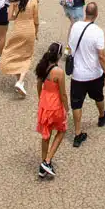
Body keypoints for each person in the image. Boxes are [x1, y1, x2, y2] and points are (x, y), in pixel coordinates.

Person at [69, 1, 105, 147]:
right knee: (98, 96)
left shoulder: (75, 26)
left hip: (77, 74)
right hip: (93, 73)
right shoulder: (98, 31)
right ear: (96, 14)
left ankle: (78, 132)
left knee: (76, 103)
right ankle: (101, 115)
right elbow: (101, 56)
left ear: (85, 12)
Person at [0, 0, 40, 97]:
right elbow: (36, 19)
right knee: (27, 56)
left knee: (14, 53)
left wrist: (18, 17)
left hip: (18, 29)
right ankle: (20, 80)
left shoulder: (14, 0)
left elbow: (9, 17)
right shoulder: (34, 0)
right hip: (29, 30)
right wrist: (36, 32)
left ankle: (19, 81)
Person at [35, 42, 69, 178]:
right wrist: (66, 108)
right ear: (59, 56)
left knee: (46, 134)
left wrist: (40, 99)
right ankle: (48, 160)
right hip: (55, 106)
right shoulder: (59, 72)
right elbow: (63, 94)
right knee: (61, 131)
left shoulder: (42, 67)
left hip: (44, 104)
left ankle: (43, 162)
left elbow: (38, 84)